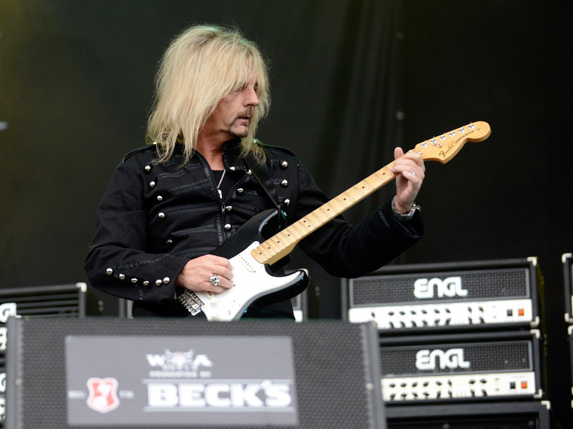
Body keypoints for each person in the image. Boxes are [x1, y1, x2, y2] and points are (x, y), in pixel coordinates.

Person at [84, 25, 424, 318]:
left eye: (257, 88)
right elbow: (106, 261)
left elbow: (344, 255)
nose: (254, 101)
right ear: (200, 92)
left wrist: (400, 211)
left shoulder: (280, 169)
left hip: (264, 336)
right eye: (240, 88)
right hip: (174, 340)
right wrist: (179, 272)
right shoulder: (142, 170)